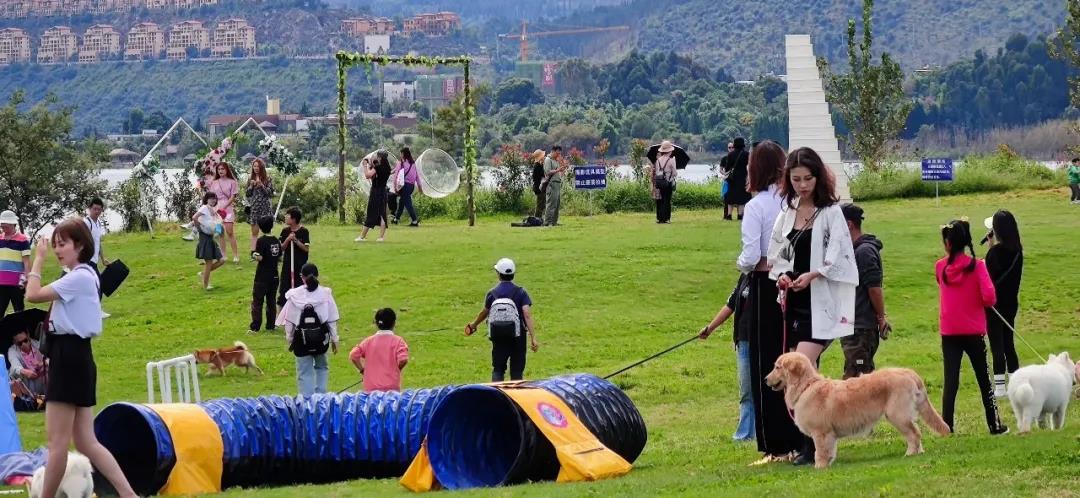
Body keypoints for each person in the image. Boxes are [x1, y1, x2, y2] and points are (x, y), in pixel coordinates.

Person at [23, 218, 137, 498]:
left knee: (57, 444)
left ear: (81, 245)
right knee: (86, 442)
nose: (57, 250)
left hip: (69, 358)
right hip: (77, 357)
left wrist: (38, 260)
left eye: (62, 244)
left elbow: (32, 295)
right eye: (54, 245)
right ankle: (129, 495)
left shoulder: (79, 277)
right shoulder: (82, 275)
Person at [767, 146, 858, 465]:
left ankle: (812, 448)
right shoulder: (787, 213)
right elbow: (777, 255)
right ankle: (815, 442)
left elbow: (841, 256)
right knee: (805, 377)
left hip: (821, 304)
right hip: (794, 302)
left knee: (801, 369)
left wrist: (814, 274)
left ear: (818, 178)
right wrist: (782, 276)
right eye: (796, 179)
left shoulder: (830, 212)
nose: (802, 185)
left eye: (808, 178)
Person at [733, 140, 802, 464]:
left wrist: (741, 265)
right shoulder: (793, 201)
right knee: (794, 357)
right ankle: (799, 437)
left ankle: (775, 446)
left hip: (764, 283)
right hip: (794, 283)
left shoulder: (757, 206)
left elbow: (750, 256)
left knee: (767, 364)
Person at [935, 218, 1008, 435]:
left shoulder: (940, 266)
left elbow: (943, 283)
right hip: (973, 331)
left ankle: (946, 426)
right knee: (984, 379)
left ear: (948, 243)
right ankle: (994, 424)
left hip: (949, 331)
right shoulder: (978, 266)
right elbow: (989, 298)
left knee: (951, 381)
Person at [698, 273, 754, 442]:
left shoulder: (771, 277)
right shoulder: (745, 276)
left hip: (762, 341)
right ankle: (745, 434)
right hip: (743, 340)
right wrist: (710, 328)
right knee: (746, 390)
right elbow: (731, 305)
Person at [464, 258, 540, 381]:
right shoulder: (521, 292)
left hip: (498, 336)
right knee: (517, 371)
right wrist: (533, 337)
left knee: (498, 369)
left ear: (498, 274)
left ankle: (496, 392)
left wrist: (473, 325)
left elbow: (485, 312)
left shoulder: (492, 293)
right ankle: (516, 393)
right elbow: (527, 314)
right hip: (518, 336)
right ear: (513, 274)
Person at [840, 203, 889, 379]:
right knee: (858, 376)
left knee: (858, 381)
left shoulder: (864, 252)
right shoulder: (854, 250)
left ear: (848, 225)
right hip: (853, 325)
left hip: (861, 328)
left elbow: (874, 289)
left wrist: (881, 317)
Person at [277, 263, 339, 396]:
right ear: (318, 275)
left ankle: (307, 400)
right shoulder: (325, 294)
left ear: (302, 277)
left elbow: (289, 320)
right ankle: (321, 398)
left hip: (301, 341)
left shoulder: (294, 295)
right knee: (322, 367)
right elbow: (332, 319)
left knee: (304, 372)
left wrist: (290, 338)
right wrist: (335, 339)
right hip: (321, 339)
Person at [983, 210, 1023, 397]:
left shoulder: (994, 253)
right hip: (1010, 303)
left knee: (996, 344)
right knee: (1008, 342)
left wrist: (990, 248)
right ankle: (1016, 381)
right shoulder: (1018, 251)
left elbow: (987, 276)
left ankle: (1000, 387)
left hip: (994, 305)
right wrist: (992, 247)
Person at [349, 308, 410, 392]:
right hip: (391, 388)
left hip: (371, 388)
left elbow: (353, 355)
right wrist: (396, 370)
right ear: (394, 323)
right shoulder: (398, 341)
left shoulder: (368, 341)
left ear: (376, 323)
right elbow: (403, 359)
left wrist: (362, 371)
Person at [249, 216, 281, 334]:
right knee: (271, 301)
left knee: (257, 301)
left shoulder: (261, 241)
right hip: (274, 275)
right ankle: (271, 325)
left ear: (261, 228)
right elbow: (279, 257)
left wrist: (253, 254)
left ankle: (255, 327)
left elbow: (260, 257)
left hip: (262, 276)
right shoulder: (276, 240)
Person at [192, 192, 226, 290]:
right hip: (205, 238)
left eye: (214, 198)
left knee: (221, 260)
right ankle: (206, 285)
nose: (213, 200)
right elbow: (194, 217)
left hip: (211, 238)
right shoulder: (204, 208)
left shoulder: (212, 210)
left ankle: (203, 274)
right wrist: (199, 228)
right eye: (211, 198)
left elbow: (215, 225)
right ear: (206, 199)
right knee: (209, 263)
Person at [277, 207, 310, 306]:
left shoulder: (304, 231)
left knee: (299, 287)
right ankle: (283, 308)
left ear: (294, 219)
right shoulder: (285, 231)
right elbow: (281, 248)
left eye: (287, 215)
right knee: (284, 287)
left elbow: (306, 248)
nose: (285, 217)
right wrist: (288, 239)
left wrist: (295, 240)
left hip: (300, 265)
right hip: (287, 264)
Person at [83, 198, 110, 317]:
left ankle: (93, 310)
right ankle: (95, 311)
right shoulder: (86, 223)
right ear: (90, 209)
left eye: (99, 209)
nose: (97, 211)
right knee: (97, 283)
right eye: (95, 209)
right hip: (87, 260)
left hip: (94, 260)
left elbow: (98, 243)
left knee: (95, 285)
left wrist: (103, 259)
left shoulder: (98, 223)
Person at [208, 162, 240, 263]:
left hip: (228, 209)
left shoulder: (232, 182)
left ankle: (236, 255)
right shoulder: (214, 182)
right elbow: (211, 197)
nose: (220, 171)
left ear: (226, 170)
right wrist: (212, 208)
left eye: (222, 169)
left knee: (230, 232)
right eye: (219, 169)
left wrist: (225, 206)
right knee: (220, 233)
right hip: (217, 208)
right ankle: (223, 255)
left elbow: (233, 196)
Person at [356, 151, 391, 242]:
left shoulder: (378, 167)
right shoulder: (388, 168)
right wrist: (371, 164)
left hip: (376, 192)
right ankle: (381, 237)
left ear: (380, 157)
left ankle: (362, 236)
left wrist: (365, 166)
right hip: (383, 192)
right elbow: (377, 175)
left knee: (371, 213)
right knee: (382, 214)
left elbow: (368, 175)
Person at [0, 210, 30, 316]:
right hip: (1, 282)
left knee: (19, 312)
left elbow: (26, 262)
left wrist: (26, 279)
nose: (2, 226)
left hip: (17, 283)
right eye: (1, 224)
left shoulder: (23, 240)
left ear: (12, 224)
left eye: (5, 224)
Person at [245, 158, 275, 254]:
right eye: (254, 166)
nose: (256, 168)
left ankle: (268, 251)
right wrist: (251, 186)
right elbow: (247, 194)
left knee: (267, 231)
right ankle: (253, 251)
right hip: (255, 208)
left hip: (265, 207)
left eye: (258, 166)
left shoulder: (268, 179)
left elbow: (270, 193)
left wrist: (262, 185)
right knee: (254, 232)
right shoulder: (250, 178)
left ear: (262, 167)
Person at [7, 330, 46, 396]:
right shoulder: (12, 350)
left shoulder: (37, 344)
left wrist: (42, 364)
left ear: (28, 336)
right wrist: (25, 371)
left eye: (25, 340)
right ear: (15, 342)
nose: (23, 344)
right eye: (20, 343)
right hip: (25, 382)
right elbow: (15, 365)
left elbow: (50, 358)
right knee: (13, 370)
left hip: (41, 378)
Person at [391, 147, 422, 227]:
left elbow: (395, 176)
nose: (400, 155)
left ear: (403, 154)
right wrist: (419, 186)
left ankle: (415, 221)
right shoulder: (413, 163)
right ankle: (396, 219)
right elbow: (417, 176)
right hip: (411, 186)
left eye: (401, 153)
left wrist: (395, 187)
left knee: (408, 204)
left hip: (404, 186)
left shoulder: (401, 163)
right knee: (402, 202)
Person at [723, 138, 752, 220]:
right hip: (742, 177)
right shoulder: (746, 154)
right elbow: (749, 166)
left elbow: (727, 167)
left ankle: (729, 215)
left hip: (732, 178)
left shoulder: (730, 154)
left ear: (735, 144)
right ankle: (740, 215)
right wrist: (748, 177)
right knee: (742, 197)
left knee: (730, 196)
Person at [651, 140, 678, 224]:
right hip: (668, 182)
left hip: (659, 182)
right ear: (669, 151)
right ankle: (666, 218)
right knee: (667, 200)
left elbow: (657, 171)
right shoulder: (671, 160)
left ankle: (660, 218)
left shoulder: (658, 160)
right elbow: (674, 173)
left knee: (660, 200)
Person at [542, 145, 567, 226]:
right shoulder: (548, 160)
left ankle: (554, 222)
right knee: (551, 204)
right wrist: (558, 170)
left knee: (556, 204)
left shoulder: (555, 160)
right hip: (551, 184)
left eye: (559, 153)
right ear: (552, 151)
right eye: (557, 153)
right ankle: (548, 222)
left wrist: (561, 170)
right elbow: (547, 172)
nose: (558, 155)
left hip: (557, 184)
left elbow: (557, 172)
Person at [530, 149, 547, 220]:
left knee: (542, 204)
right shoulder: (537, 166)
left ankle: (539, 218)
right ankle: (537, 219)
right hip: (538, 188)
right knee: (540, 204)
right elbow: (543, 174)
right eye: (543, 156)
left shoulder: (539, 165)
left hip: (539, 187)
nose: (544, 157)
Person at [719, 142, 734, 220]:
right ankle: (726, 215)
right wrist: (725, 173)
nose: (731, 149)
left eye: (732, 147)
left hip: (736, 180)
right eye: (729, 147)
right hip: (727, 180)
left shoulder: (737, 158)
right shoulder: (724, 158)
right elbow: (720, 169)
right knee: (726, 197)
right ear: (727, 148)